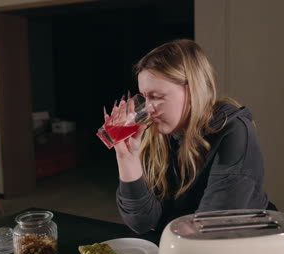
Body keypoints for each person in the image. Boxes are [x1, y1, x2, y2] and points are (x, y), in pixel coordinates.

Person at [114, 39, 270, 234]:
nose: (147, 108)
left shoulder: (234, 131)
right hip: (184, 244)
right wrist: (127, 159)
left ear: (192, 89)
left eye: (157, 97)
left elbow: (210, 228)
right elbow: (143, 223)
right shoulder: (158, 134)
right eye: (145, 97)